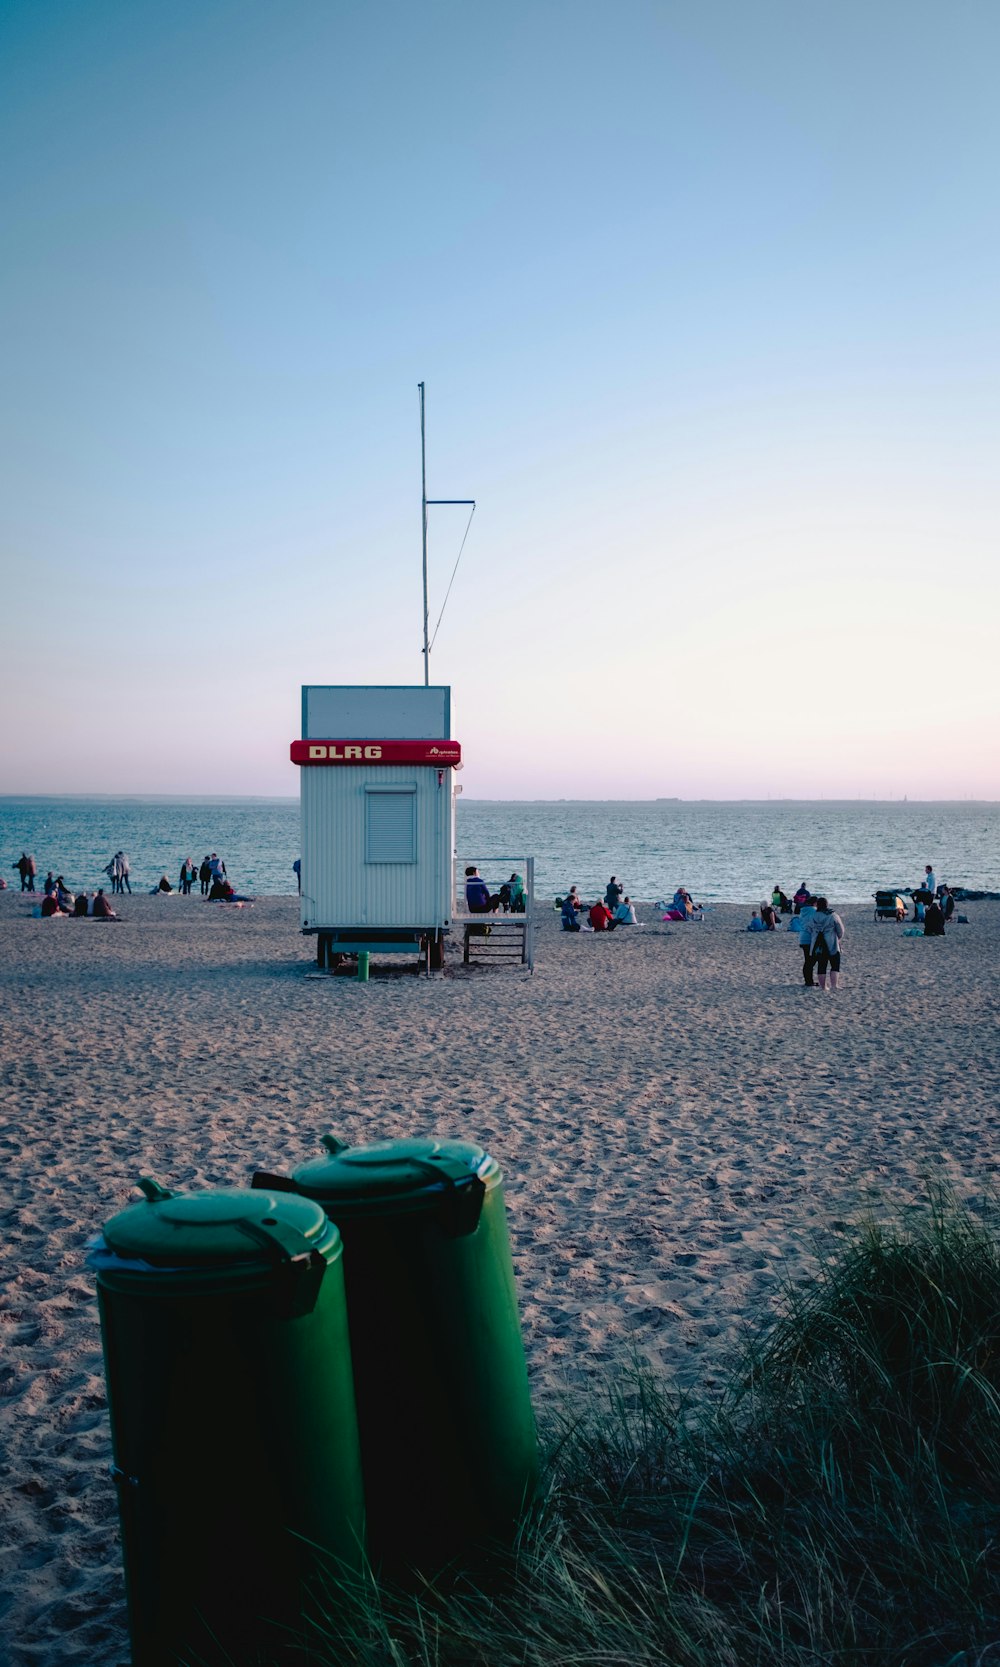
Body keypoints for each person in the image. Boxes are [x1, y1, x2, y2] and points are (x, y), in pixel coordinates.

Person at [809, 897, 845, 991]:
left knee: (821, 964)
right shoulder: (833, 915)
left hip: (818, 942)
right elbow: (840, 930)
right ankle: (834, 985)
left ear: (817, 905)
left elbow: (809, 928)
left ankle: (823, 986)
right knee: (835, 964)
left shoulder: (813, 915)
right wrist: (838, 938)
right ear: (827, 905)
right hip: (831, 942)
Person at [793, 894, 818, 985]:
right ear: (815, 903)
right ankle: (809, 981)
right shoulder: (814, 911)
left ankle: (808, 980)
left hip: (802, 937)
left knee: (808, 960)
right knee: (811, 960)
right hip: (810, 938)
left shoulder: (803, 911)